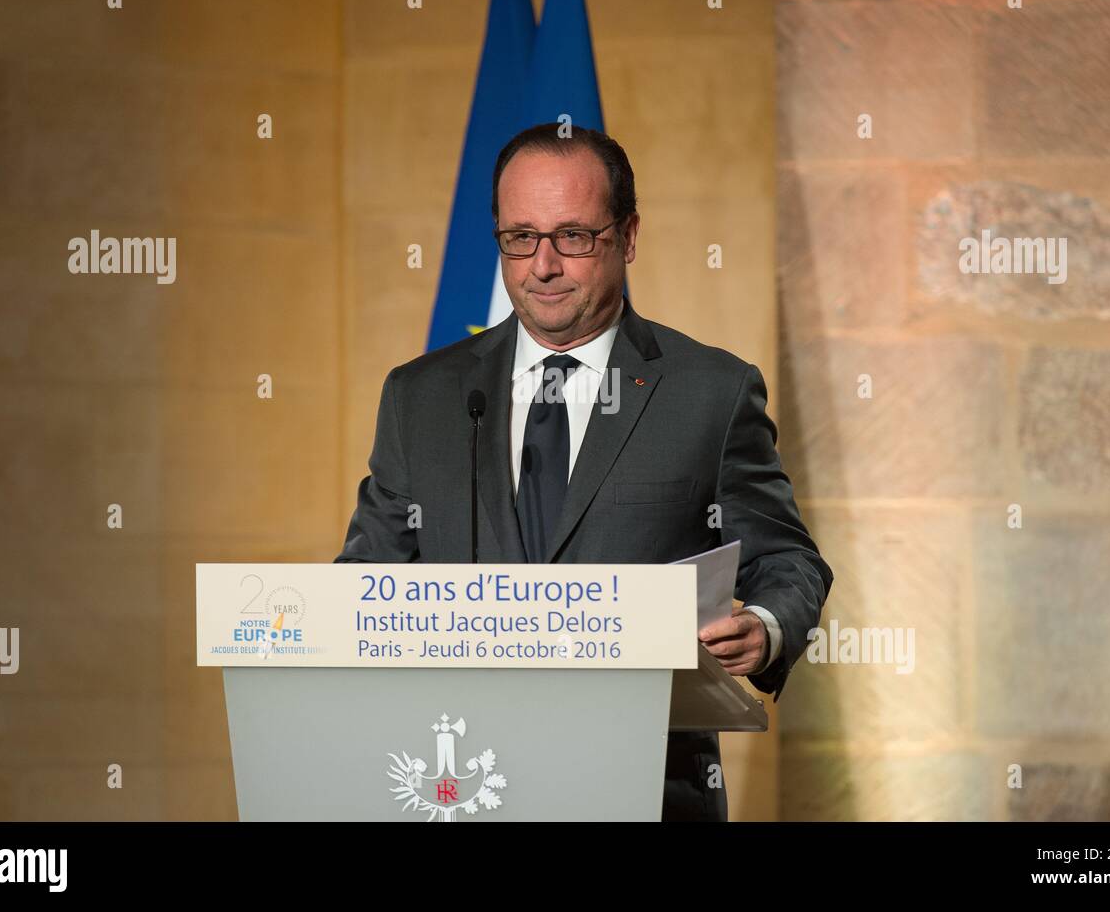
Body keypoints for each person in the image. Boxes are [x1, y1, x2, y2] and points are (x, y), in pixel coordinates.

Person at [335, 123, 833, 820]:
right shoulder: (421, 397)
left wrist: (770, 626)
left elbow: (788, 558)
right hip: (468, 784)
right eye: (519, 237)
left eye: (572, 236)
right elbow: (366, 583)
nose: (542, 265)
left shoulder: (710, 392)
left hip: (650, 787)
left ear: (627, 237)